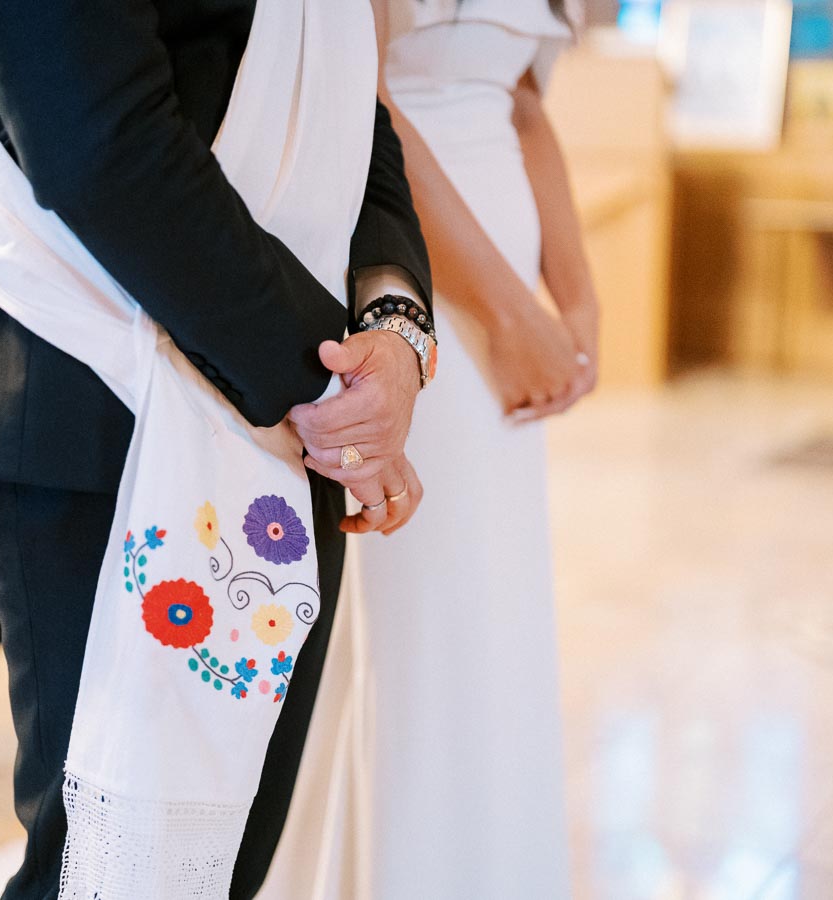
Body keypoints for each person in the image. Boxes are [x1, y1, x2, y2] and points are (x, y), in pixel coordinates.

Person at [0, 1, 436, 897]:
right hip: (106, 402)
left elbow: (348, 101)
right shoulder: (307, 386)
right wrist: (330, 385)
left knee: (224, 863)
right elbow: (98, 143)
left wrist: (394, 325)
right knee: (114, 873)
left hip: (294, 414)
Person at [262, 0, 599, 896]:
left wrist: (578, 303)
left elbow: (525, 107)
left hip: (507, 285)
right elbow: (367, 109)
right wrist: (509, 311)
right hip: (410, 279)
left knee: (495, 599)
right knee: (429, 605)